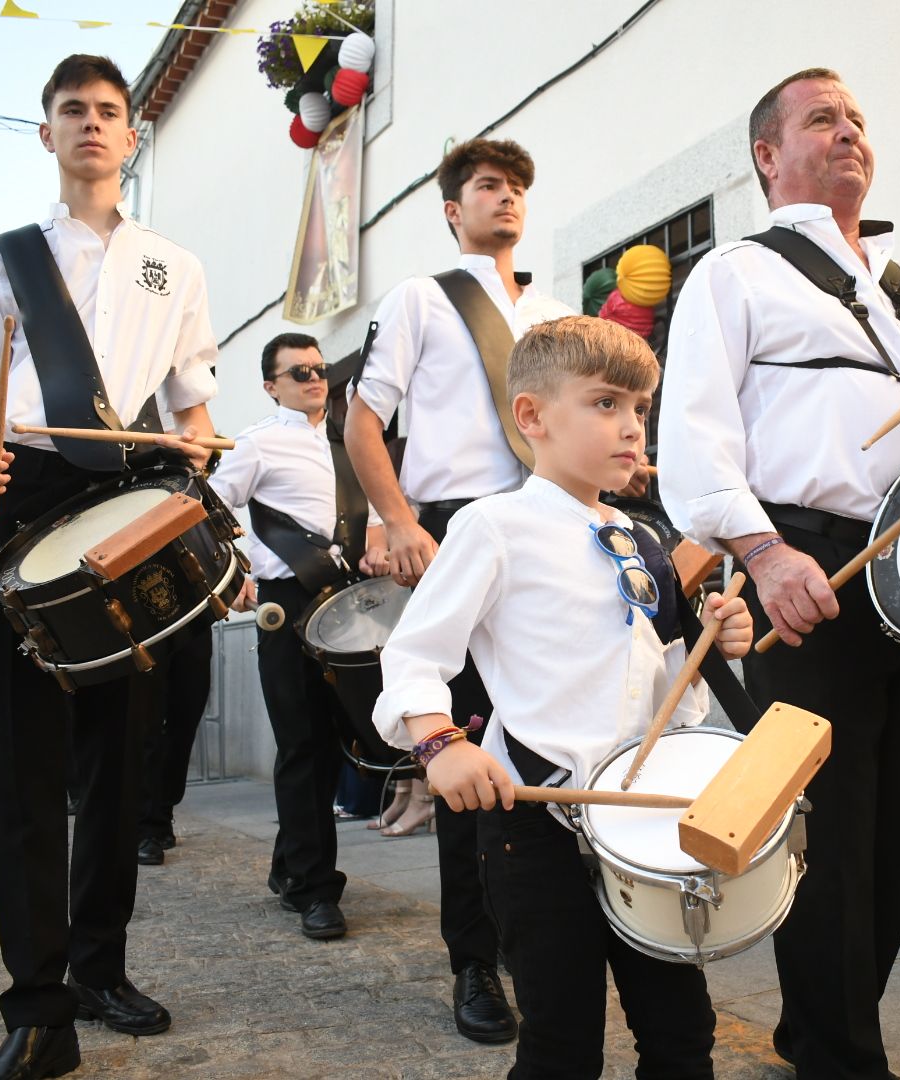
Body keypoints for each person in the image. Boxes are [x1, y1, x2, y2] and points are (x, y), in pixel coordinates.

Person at [657, 69, 900, 1078]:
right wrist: (764, 553)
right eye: (823, 119)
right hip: (809, 561)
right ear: (768, 156)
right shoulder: (734, 272)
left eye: (858, 118)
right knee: (825, 824)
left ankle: (825, 1029)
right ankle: (842, 1057)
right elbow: (691, 440)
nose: (850, 131)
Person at [373, 316, 753, 1078]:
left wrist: (721, 634)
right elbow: (416, 651)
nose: (631, 427)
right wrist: (439, 742)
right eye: (606, 404)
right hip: (537, 828)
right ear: (532, 416)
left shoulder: (646, 539)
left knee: (682, 1035)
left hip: (643, 828)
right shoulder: (493, 526)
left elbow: (674, 688)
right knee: (562, 1043)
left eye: (640, 409)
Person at [0, 54, 222, 1080]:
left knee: (120, 746)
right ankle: (40, 1010)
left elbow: (191, 402)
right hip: (18, 492)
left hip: (125, 495)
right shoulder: (3, 260)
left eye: (110, 112)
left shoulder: (174, 266)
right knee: (23, 762)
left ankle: (101, 965)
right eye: (74, 112)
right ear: (47, 134)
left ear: (132, 138)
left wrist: (197, 454)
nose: (94, 126)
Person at [344, 137, 581, 1044]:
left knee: (554, 733)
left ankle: (541, 932)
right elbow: (365, 421)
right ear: (454, 209)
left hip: (553, 529)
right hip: (456, 525)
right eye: (488, 186)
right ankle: (473, 958)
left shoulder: (556, 314)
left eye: (518, 186)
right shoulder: (421, 298)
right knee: (463, 746)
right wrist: (399, 520)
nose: (506, 198)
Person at [208, 331, 387, 938]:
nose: (314, 378)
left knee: (343, 739)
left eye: (319, 368)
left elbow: (385, 516)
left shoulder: (354, 444)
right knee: (303, 745)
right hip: (287, 606)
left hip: (353, 605)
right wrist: (230, 578)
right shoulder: (257, 443)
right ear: (271, 385)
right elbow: (209, 511)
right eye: (299, 372)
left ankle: (290, 865)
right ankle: (314, 889)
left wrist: (381, 550)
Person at [134, 623, 211, 866]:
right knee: (147, 725)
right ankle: (146, 827)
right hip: (143, 622)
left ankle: (164, 808)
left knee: (186, 718)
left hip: (192, 614)